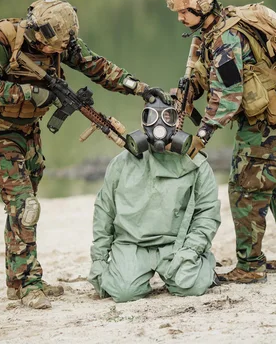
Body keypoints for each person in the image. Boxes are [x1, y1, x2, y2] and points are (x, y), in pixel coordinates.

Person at [0, 0, 170, 309]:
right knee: (24, 205)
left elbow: (98, 67)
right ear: (37, 33)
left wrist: (139, 88)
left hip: (29, 132)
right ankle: (27, 285)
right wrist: (34, 93)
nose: (59, 52)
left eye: (62, 47)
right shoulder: (2, 41)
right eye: (53, 48)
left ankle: (22, 278)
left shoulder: (61, 39)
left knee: (24, 209)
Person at [164, 0, 276, 284]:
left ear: (202, 6)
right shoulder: (214, 31)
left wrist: (201, 136)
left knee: (246, 190)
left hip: (261, 124)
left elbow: (227, 97)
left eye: (184, 11)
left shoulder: (225, 38)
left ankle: (250, 265)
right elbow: (205, 79)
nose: (180, 18)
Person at [88, 97, 221, 302]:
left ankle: (203, 265)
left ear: (179, 123)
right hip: (132, 244)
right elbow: (104, 211)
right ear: (142, 123)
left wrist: (192, 250)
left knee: (191, 286)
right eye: (151, 117)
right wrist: (99, 260)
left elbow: (207, 213)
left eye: (168, 117)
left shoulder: (196, 164)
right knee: (123, 293)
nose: (159, 125)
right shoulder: (121, 163)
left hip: (177, 244)